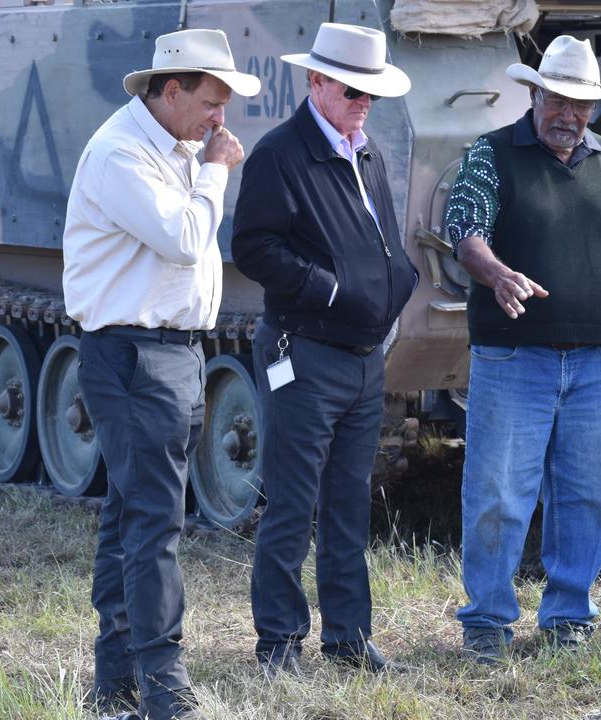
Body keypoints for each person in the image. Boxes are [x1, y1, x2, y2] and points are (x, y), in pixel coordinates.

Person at [63, 28, 256, 720]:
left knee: (130, 520)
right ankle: (165, 690)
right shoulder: (123, 153)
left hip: (168, 354)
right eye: (211, 102)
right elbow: (181, 238)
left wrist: (204, 163)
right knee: (154, 526)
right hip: (135, 354)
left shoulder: (168, 146)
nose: (219, 121)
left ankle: (115, 682)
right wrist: (217, 171)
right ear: (170, 91)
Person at [442, 34, 601, 663]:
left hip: (595, 361)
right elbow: (464, 229)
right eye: (557, 100)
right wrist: (497, 273)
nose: (569, 115)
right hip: (513, 359)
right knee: (499, 495)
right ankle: (487, 623)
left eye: (582, 104)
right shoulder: (492, 152)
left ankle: (568, 618)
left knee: (590, 496)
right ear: (534, 94)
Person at [231, 22, 416, 677]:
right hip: (305, 354)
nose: (363, 100)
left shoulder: (368, 151)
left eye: (372, 91)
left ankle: (347, 638)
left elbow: (384, 238)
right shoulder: (281, 154)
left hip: (364, 358)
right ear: (315, 81)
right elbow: (251, 246)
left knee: (347, 503)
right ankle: (279, 644)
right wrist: (329, 289)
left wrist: (397, 290)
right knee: (291, 503)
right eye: (350, 88)